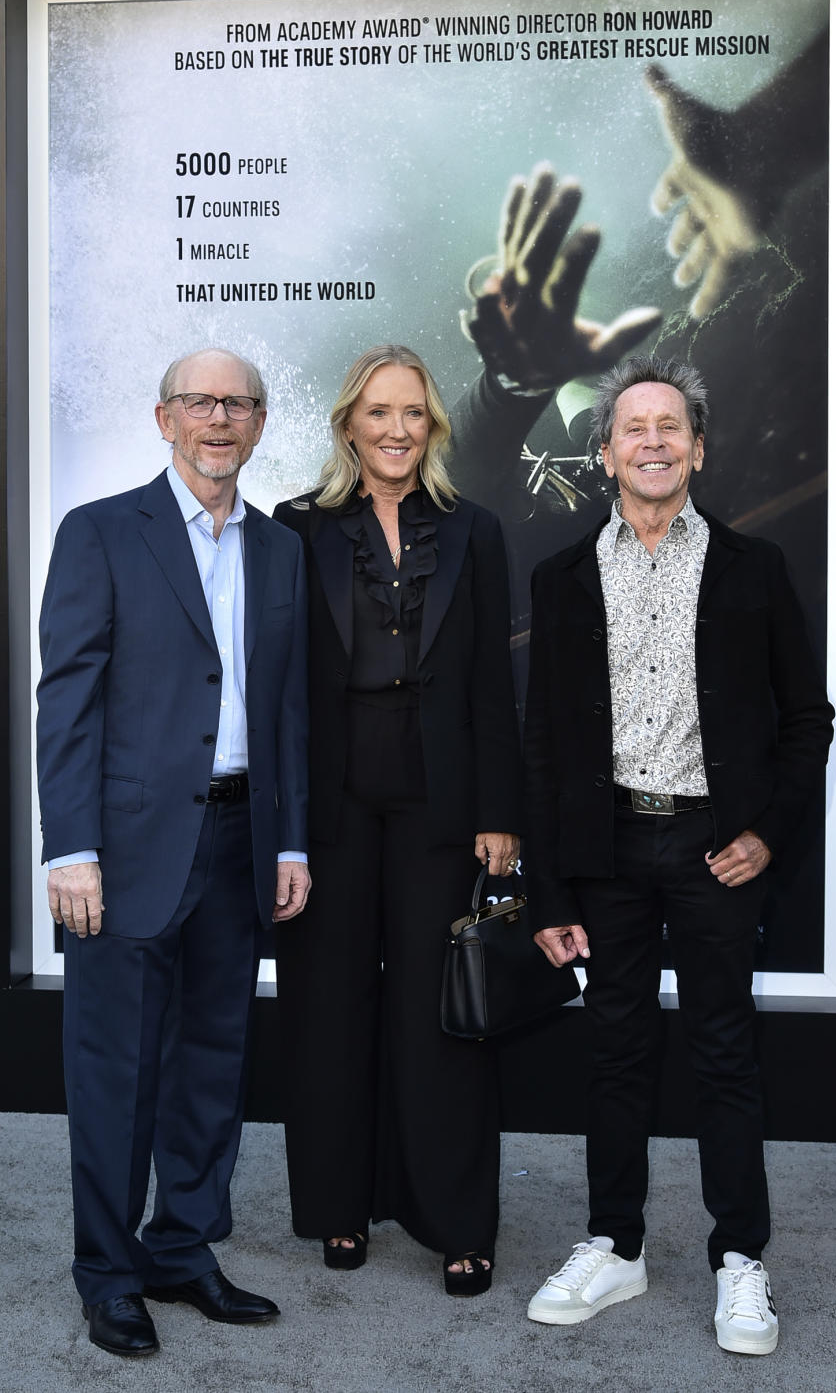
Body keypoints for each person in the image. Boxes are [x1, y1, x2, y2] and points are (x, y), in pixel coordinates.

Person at [521, 354, 833, 1354]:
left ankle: (741, 1257)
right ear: (605, 452)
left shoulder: (756, 568)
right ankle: (615, 1243)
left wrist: (765, 831)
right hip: (605, 845)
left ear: (699, 448)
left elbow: (806, 720)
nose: (651, 441)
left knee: (723, 1051)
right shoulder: (561, 578)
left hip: (713, 848)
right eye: (632, 427)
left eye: (670, 426)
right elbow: (543, 746)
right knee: (614, 1052)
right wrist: (551, 887)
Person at [36, 348, 310, 1357]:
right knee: (114, 1068)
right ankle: (107, 1272)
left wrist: (290, 837)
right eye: (200, 401)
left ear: (260, 421)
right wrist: (70, 846)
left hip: (242, 840)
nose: (220, 418)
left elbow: (288, 710)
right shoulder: (102, 531)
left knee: (212, 1061)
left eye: (239, 402)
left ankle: (181, 1245)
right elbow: (65, 698)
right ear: (164, 418)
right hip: (125, 848)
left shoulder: (281, 552)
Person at [272, 345, 522, 1296]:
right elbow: (278, 689)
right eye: (377, 412)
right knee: (329, 1011)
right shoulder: (297, 529)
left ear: (434, 426)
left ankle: (458, 1219)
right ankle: (340, 1207)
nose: (395, 428)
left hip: (443, 803)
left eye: (412, 412)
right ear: (348, 424)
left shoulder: (475, 531)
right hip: (330, 802)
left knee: (443, 1018)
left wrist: (501, 810)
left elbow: (495, 686)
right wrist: (285, 822)